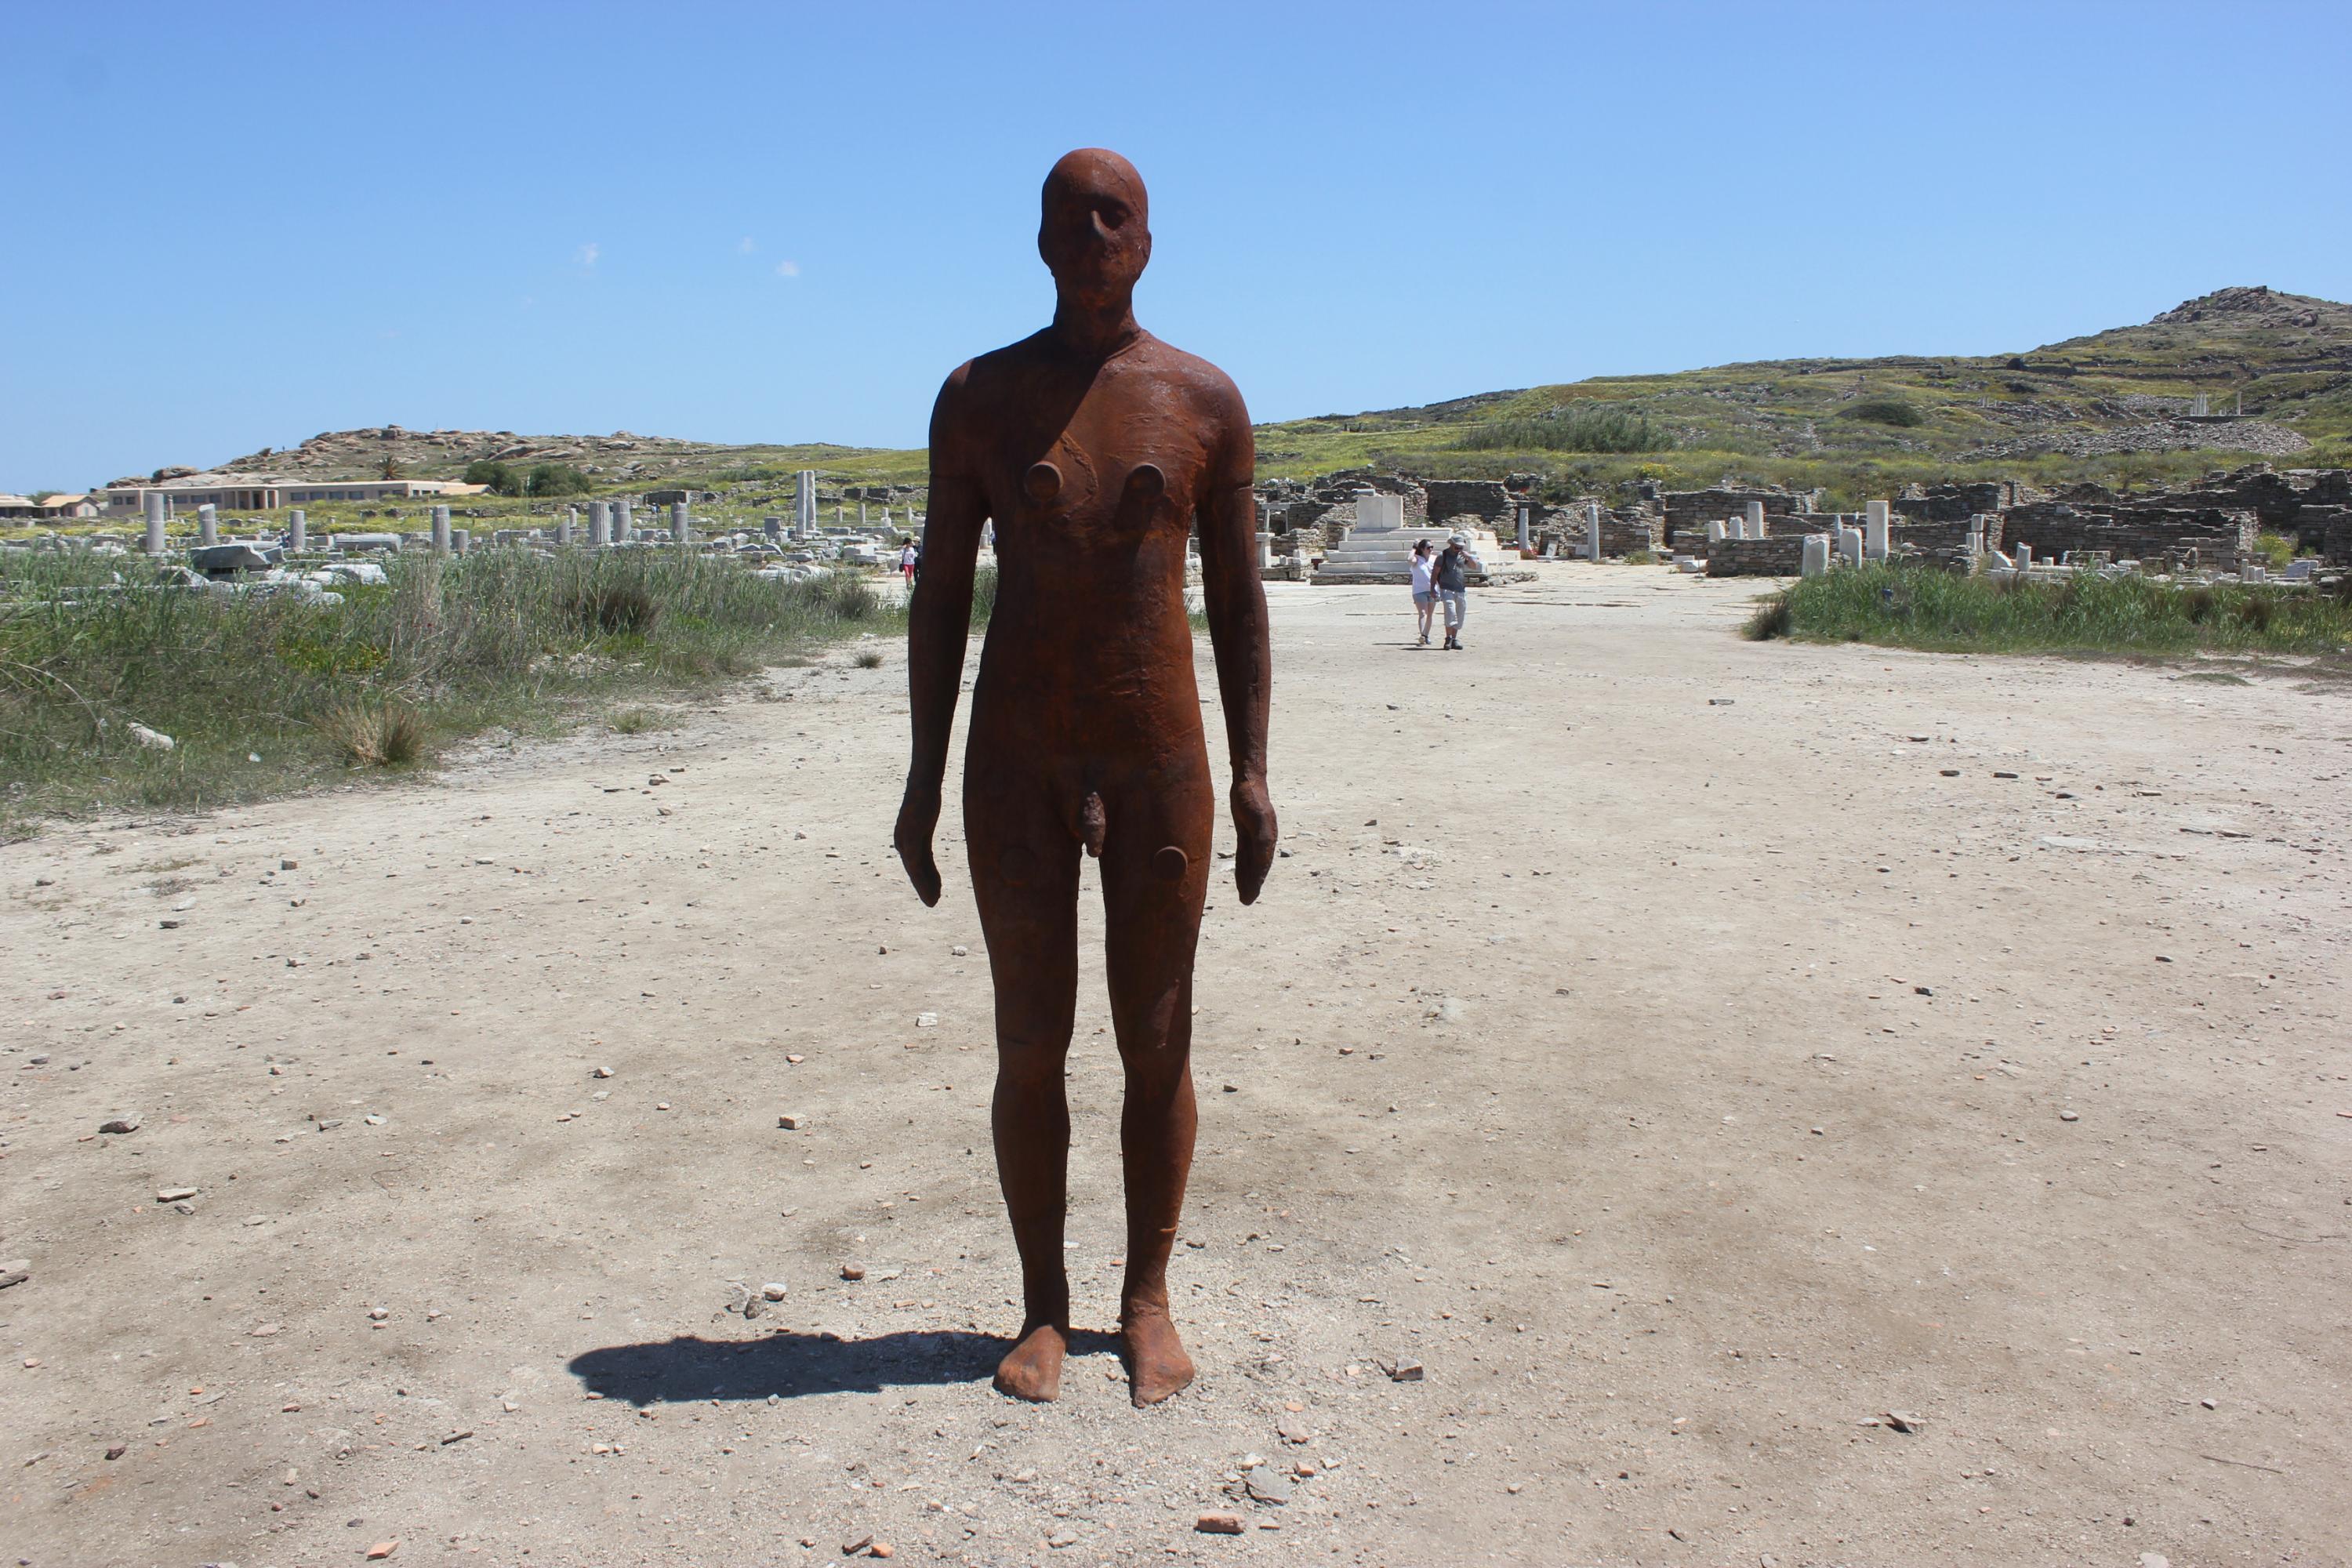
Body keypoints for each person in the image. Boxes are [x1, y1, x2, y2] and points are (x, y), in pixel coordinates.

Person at [893, 148, 1277, 1408]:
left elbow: (1239, 598)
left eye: (1118, 217)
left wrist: (1255, 771)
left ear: (1149, 242)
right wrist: (921, 777)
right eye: (1074, 217)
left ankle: (1147, 1299)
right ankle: (1044, 1303)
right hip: (1018, 756)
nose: (1096, 236)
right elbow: (940, 599)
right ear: (1042, 242)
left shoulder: (1204, 401)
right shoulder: (978, 398)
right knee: (1029, 1041)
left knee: (1157, 1040)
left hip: (1158, 754)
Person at [1434, 532, 1481, 649]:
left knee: (1460, 613)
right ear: (1451, 545)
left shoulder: (1462, 556)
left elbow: (1474, 566)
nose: (1459, 549)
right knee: (1450, 612)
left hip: (1460, 589)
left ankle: (1454, 639)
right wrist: (1432, 589)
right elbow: (1435, 573)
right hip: (1446, 588)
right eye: (1457, 547)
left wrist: (1469, 557)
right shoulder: (1443, 556)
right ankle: (1448, 638)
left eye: (1461, 547)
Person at [1407, 537, 1436, 646]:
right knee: (1423, 613)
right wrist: (1414, 548)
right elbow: (1410, 559)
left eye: (1432, 547)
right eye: (1428, 547)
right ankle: (1423, 635)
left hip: (1433, 590)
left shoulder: (1435, 559)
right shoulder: (1417, 559)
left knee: (1430, 614)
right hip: (1419, 590)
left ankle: (1426, 635)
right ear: (1422, 549)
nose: (1431, 549)